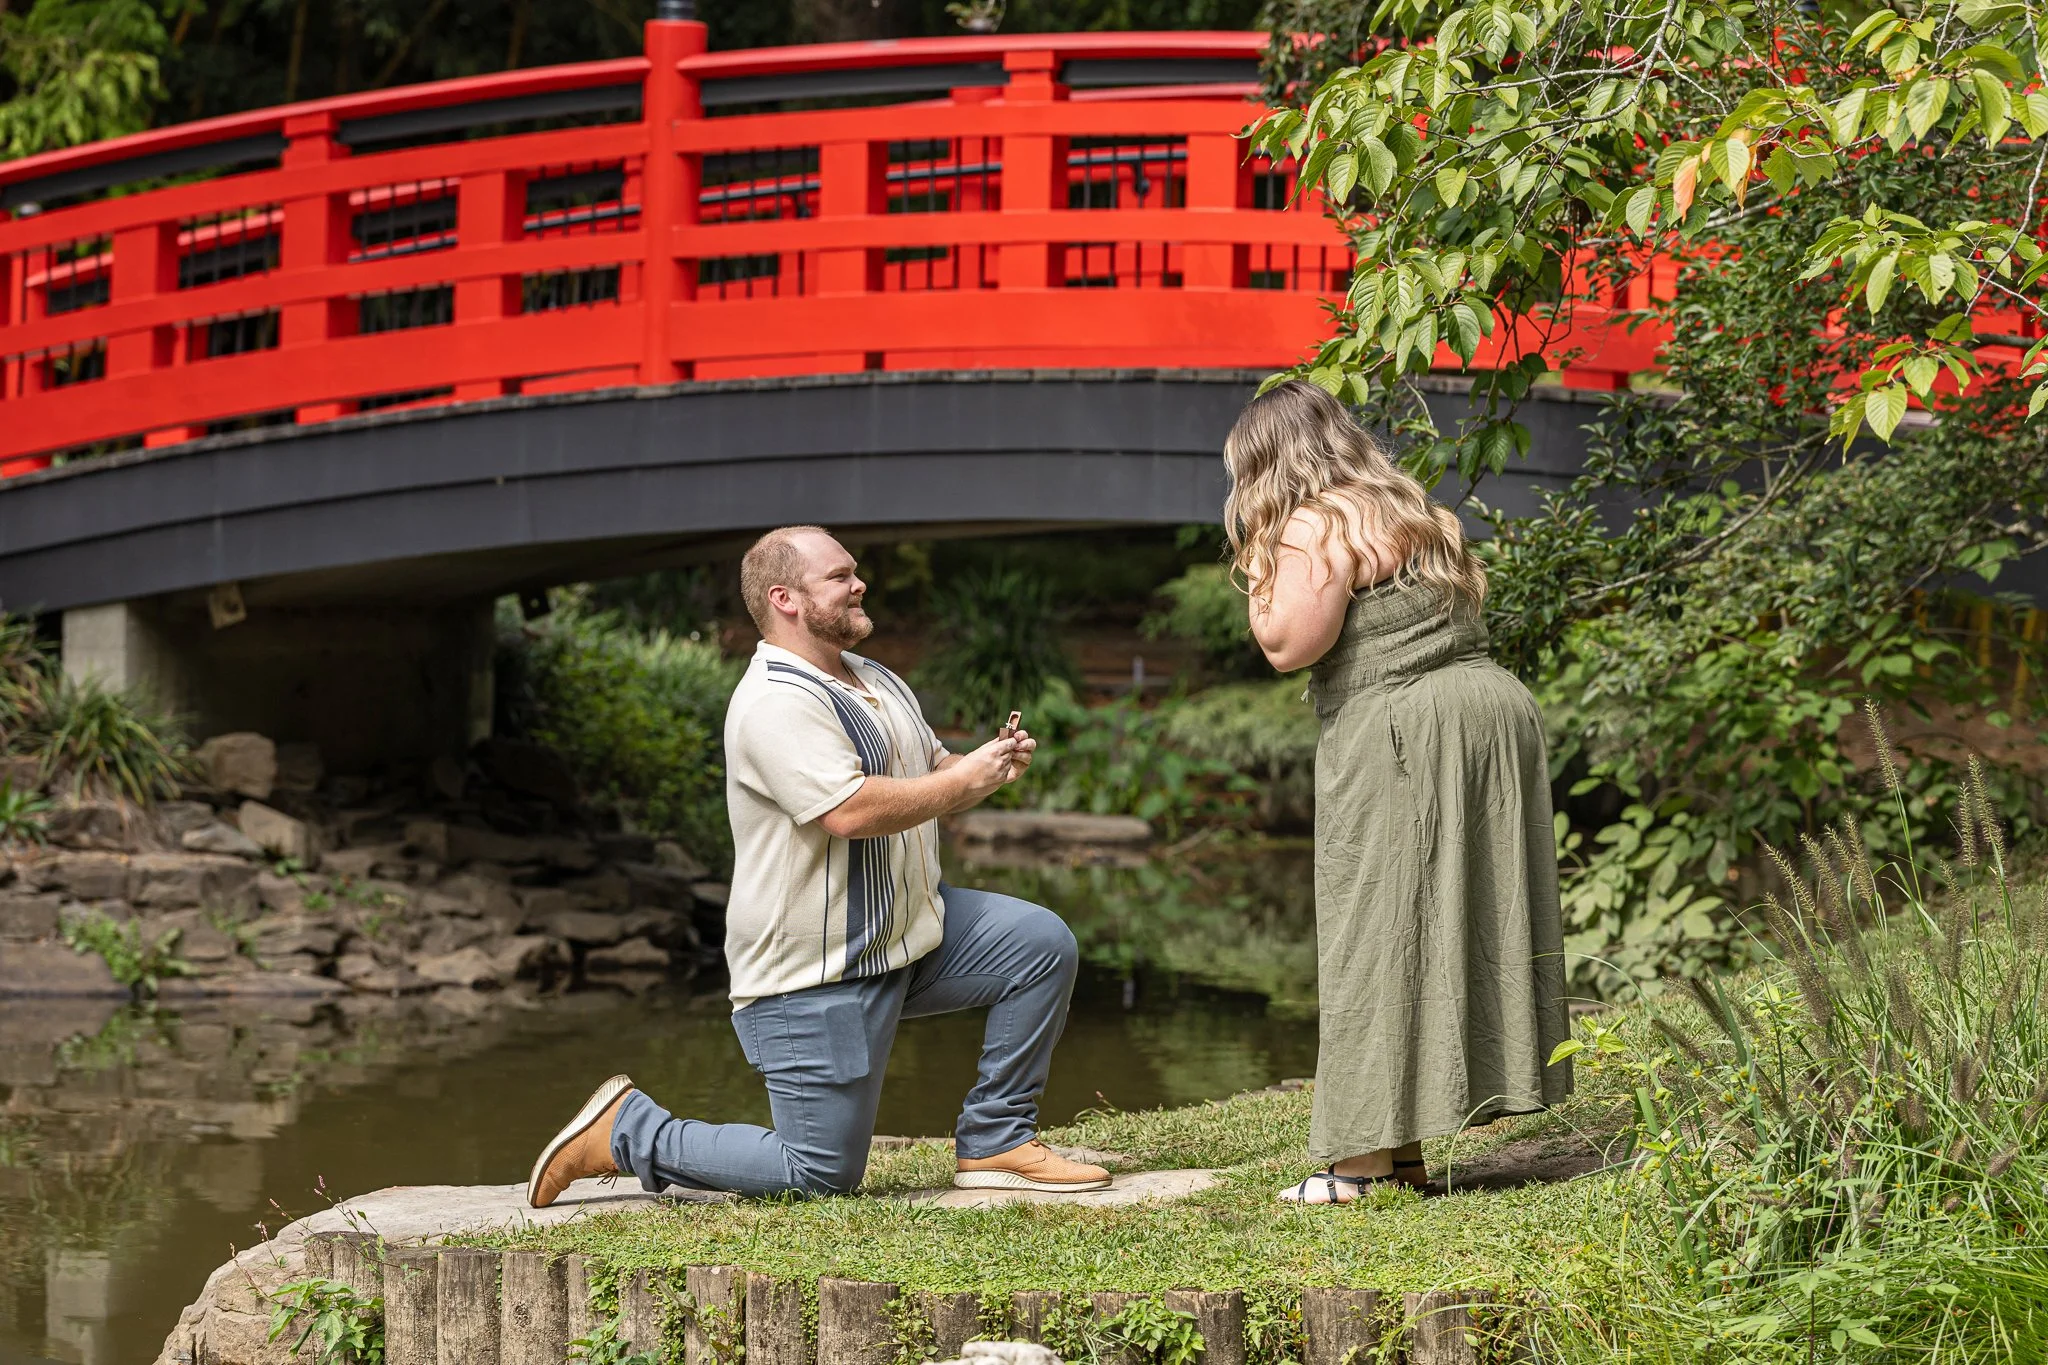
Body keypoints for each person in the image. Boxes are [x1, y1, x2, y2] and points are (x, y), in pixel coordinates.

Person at [524, 525, 1111, 1205]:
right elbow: (849, 811)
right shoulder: (776, 701)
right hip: (815, 974)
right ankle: (627, 1130)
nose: (859, 584)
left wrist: (983, 766)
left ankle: (996, 1138)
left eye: (854, 571)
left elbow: (930, 768)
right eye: (839, 576)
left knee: (1039, 946)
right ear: (785, 598)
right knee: (819, 1173)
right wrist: (961, 781)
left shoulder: (872, 678)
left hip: (909, 936)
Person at [1223, 381, 1572, 1204]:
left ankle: (1356, 1165)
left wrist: (1259, 565)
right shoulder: (1406, 505)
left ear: (1264, 464)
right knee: (1438, 924)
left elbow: (1288, 644)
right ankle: (1402, 1152)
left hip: (1408, 727)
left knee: (1376, 927)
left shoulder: (1312, 525)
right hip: (1485, 711)